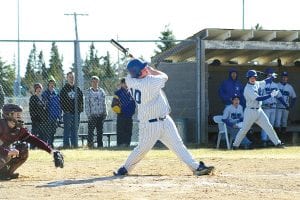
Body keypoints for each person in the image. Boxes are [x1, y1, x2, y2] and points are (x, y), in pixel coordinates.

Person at [114, 59, 215, 176]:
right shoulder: (150, 82)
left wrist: (142, 69)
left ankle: (196, 167)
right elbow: (164, 76)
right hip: (150, 125)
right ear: (139, 73)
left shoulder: (129, 80)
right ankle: (124, 169)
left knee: (178, 145)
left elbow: (133, 73)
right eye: (143, 69)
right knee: (141, 149)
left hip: (165, 120)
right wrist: (152, 70)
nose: (146, 69)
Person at [0, 104, 62, 180]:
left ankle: (6, 174)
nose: (20, 116)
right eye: (17, 114)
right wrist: (7, 152)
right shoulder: (1, 125)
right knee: (4, 155)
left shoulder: (19, 129)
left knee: (23, 149)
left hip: (3, 152)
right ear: (9, 115)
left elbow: (35, 140)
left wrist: (51, 151)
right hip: (2, 152)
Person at [232, 70, 285, 149]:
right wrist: (270, 95)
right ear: (248, 78)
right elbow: (258, 98)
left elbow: (265, 81)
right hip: (250, 111)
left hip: (259, 110)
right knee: (244, 130)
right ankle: (235, 145)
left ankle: (278, 143)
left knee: (269, 126)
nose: (252, 79)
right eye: (251, 77)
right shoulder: (248, 88)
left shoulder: (257, 83)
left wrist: (272, 77)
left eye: (254, 77)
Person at [260, 68, 288, 147]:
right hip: (265, 107)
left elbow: (279, 96)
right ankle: (264, 139)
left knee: (271, 124)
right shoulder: (262, 84)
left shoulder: (275, 85)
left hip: (274, 107)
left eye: (271, 74)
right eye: (269, 74)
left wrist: (285, 104)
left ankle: (270, 139)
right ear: (266, 75)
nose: (270, 75)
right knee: (265, 124)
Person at [60, 72, 83, 148]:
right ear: (67, 78)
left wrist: (79, 110)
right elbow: (62, 102)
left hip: (76, 113)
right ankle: (66, 146)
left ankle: (74, 145)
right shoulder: (64, 89)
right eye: (70, 77)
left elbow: (81, 101)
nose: (71, 78)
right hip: (67, 113)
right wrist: (66, 110)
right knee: (67, 130)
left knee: (75, 130)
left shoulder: (77, 89)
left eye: (72, 77)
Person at [111, 78, 136, 147]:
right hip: (121, 116)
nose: (126, 85)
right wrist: (120, 112)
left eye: (127, 83)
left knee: (129, 130)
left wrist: (132, 112)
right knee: (121, 130)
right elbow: (113, 105)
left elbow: (133, 103)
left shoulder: (131, 92)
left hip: (129, 116)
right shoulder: (118, 93)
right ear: (121, 84)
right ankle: (120, 144)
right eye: (124, 83)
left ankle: (127, 144)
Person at [85, 76, 107, 148]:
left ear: (98, 82)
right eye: (93, 81)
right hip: (92, 115)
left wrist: (105, 113)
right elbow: (87, 104)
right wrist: (89, 115)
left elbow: (104, 103)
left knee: (100, 132)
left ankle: (100, 146)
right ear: (91, 82)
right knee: (91, 132)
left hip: (100, 115)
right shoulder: (88, 92)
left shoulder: (102, 91)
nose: (94, 83)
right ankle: (90, 145)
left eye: (96, 81)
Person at [275, 71, 297, 142]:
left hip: (286, 108)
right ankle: (276, 138)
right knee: (277, 122)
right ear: (281, 78)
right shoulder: (277, 85)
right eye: (283, 77)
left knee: (284, 122)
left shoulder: (289, 87)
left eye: (285, 77)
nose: (284, 78)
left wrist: (291, 106)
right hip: (278, 107)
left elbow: (294, 97)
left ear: (287, 78)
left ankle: (283, 138)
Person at [41, 76, 62, 148]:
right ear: (48, 84)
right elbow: (44, 104)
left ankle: (51, 143)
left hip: (55, 116)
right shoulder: (45, 93)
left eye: (53, 83)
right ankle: (47, 144)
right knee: (48, 131)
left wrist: (59, 116)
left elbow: (59, 105)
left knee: (53, 131)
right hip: (48, 116)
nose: (52, 84)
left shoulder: (56, 93)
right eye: (50, 83)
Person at [29, 83, 48, 148]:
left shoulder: (44, 98)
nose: (39, 89)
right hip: (36, 121)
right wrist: (34, 118)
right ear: (35, 89)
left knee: (43, 136)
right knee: (34, 135)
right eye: (37, 88)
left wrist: (45, 118)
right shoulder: (33, 98)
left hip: (43, 120)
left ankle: (43, 148)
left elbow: (46, 109)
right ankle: (32, 147)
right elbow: (31, 110)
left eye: (40, 88)